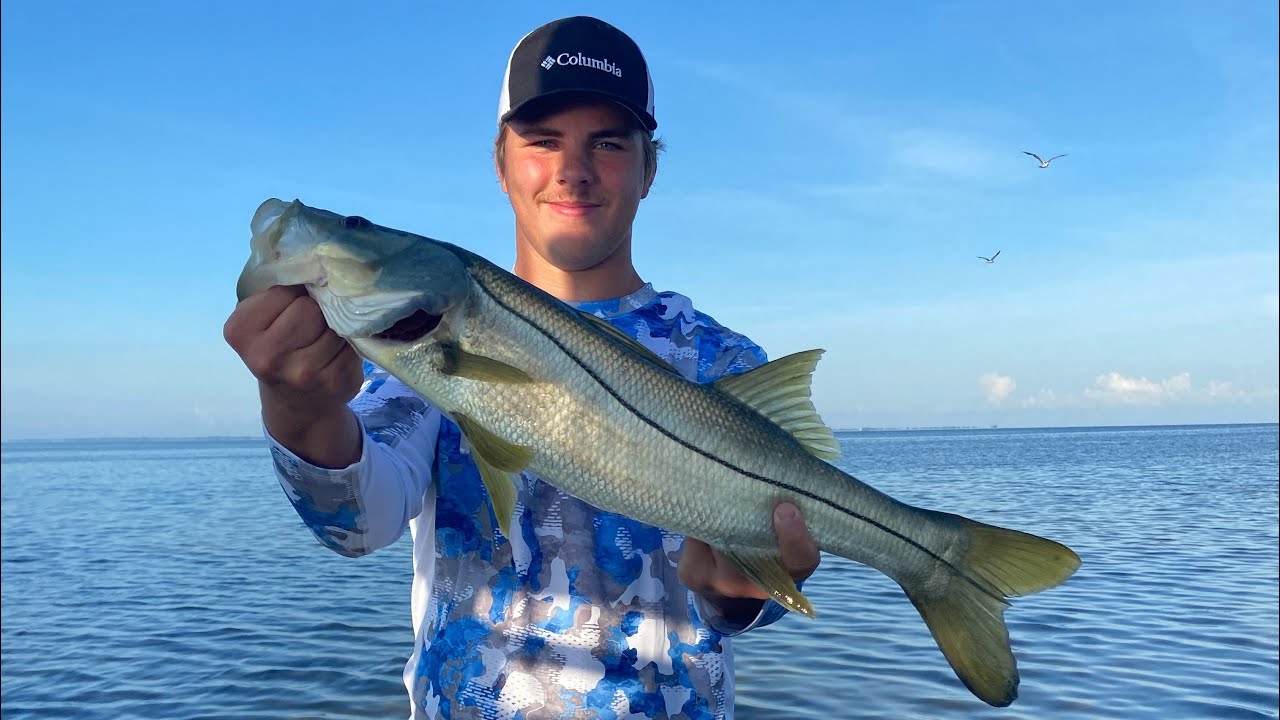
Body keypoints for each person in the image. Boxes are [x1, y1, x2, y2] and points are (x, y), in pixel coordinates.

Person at [224, 15, 820, 720]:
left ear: (649, 168)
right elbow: (357, 521)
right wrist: (299, 409)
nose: (573, 168)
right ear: (500, 161)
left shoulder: (723, 361)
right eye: (542, 141)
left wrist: (739, 592)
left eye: (608, 143)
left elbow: (751, 600)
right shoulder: (416, 348)